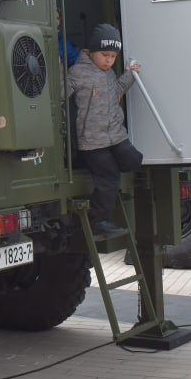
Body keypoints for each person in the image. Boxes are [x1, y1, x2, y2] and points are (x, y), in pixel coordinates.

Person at [67, 23, 141, 237]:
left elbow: (116, 91)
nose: (109, 61)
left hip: (115, 136)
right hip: (93, 142)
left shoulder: (108, 74)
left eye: (113, 56)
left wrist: (129, 75)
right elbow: (60, 94)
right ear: (91, 52)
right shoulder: (78, 73)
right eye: (105, 55)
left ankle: (98, 168)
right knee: (109, 178)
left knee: (134, 160)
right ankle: (97, 221)